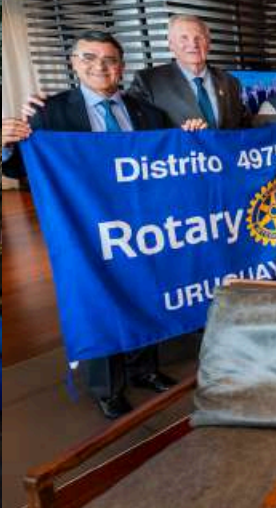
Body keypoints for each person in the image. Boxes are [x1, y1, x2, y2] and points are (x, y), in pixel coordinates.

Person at [2, 30, 205, 420]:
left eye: (110, 60)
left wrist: (189, 139)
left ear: (121, 67)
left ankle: (144, 369)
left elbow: (168, 162)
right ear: (74, 63)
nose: (100, 66)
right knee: (99, 300)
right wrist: (7, 143)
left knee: (146, 289)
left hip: (142, 225)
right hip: (85, 229)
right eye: (89, 58)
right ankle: (107, 387)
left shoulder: (148, 113)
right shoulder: (50, 112)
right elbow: (18, 168)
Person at [127, 14, 250, 129]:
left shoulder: (230, 82)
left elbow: (243, 127)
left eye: (199, 38)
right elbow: (137, 131)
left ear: (208, 43)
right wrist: (182, 135)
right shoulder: (149, 82)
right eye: (184, 38)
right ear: (171, 45)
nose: (193, 44)